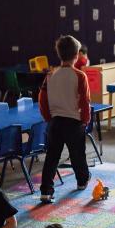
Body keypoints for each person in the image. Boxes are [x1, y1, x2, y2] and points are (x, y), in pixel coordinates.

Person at [38, 35, 91, 204]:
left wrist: (48, 118)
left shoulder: (50, 75)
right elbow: (85, 101)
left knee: (52, 157)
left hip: (55, 123)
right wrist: (85, 120)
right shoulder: (80, 75)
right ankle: (82, 181)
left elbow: (42, 99)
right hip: (74, 123)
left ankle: (46, 191)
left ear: (59, 54)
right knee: (78, 155)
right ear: (77, 55)